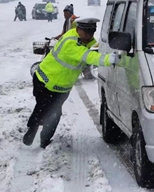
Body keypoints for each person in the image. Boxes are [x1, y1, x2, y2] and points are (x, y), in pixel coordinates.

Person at [23, 18, 120, 148]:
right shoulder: (70, 43)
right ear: (78, 29)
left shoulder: (82, 41)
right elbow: (88, 56)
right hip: (44, 81)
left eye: (92, 32)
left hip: (61, 87)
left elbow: (91, 51)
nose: (89, 35)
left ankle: (37, 133)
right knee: (47, 110)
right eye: (86, 32)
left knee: (50, 111)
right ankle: (38, 136)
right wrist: (108, 59)